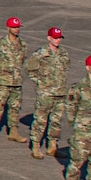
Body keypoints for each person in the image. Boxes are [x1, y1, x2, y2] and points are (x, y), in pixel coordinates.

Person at [25, 27, 70, 158]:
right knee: (40, 120)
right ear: (49, 38)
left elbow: (65, 69)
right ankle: (36, 146)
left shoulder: (64, 54)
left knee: (56, 121)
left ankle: (53, 147)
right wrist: (40, 82)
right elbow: (30, 69)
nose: (57, 40)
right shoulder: (41, 53)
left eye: (59, 37)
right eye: (55, 37)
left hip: (60, 93)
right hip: (45, 93)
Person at [0, 17, 26, 143]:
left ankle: (13, 131)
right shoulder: (0, 44)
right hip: (3, 82)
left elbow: (22, 60)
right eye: (14, 27)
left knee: (15, 107)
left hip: (17, 81)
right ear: (8, 28)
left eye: (18, 27)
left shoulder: (22, 44)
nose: (17, 29)